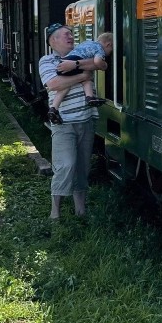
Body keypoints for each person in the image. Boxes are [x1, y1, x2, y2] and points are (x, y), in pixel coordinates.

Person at [39, 23, 102, 218]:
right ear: (53, 40)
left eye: (70, 34)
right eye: (65, 34)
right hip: (63, 122)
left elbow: (99, 64)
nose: (70, 37)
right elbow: (54, 84)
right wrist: (83, 74)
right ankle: (54, 212)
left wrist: (75, 66)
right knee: (65, 165)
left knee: (82, 167)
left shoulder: (81, 54)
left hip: (86, 120)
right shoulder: (47, 60)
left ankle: (81, 211)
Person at [47, 32, 113, 124]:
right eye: (111, 50)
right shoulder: (100, 49)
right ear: (108, 44)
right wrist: (104, 66)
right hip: (73, 61)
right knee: (86, 76)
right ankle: (90, 97)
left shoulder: (87, 42)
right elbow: (97, 62)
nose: (109, 53)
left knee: (65, 87)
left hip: (63, 62)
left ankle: (53, 108)